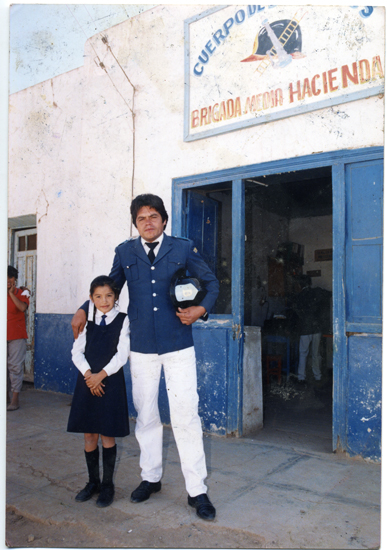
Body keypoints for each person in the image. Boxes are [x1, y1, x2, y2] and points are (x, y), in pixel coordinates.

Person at [71, 194, 219, 521]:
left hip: (178, 344)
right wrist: (84, 308)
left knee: (185, 416)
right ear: (135, 223)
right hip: (141, 348)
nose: (148, 222)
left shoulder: (182, 248)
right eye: (141, 218)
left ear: (164, 220)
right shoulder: (125, 252)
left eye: (153, 216)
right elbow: (108, 287)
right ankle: (150, 478)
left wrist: (201, 309)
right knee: (147, 415)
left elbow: (211, 283)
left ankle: (197, 491)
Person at [67, 275, 130, 508]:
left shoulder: (124, 320)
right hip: (87, 382)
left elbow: (122, 354)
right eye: (98, 297)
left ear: (116, 297)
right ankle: (92, 482)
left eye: (109, 296)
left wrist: (100, 376)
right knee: (89, 434)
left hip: (109, 382)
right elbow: (76, 352)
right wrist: (88, 375)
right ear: (91, 299)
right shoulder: (88, 321)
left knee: (107, 434)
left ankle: (107, 485)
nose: (104, 301)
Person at [293, 275, 331, 385]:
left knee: (303, 353)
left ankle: (301, 377)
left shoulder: (299, 296)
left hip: (305, 328)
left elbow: (297, 314)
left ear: (300, 285)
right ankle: (317, 376)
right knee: (316, 353)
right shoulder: (317, 292)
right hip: (317, 328)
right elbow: (329, 294)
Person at [7, 265, 29, 411]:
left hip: (17, 336)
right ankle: (5, 397)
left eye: (10, 277)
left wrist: (11, 294)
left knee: (15, 367)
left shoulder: (22, 292)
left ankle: (15, 399)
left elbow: (22, 308)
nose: (8, 280)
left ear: (15, 279)